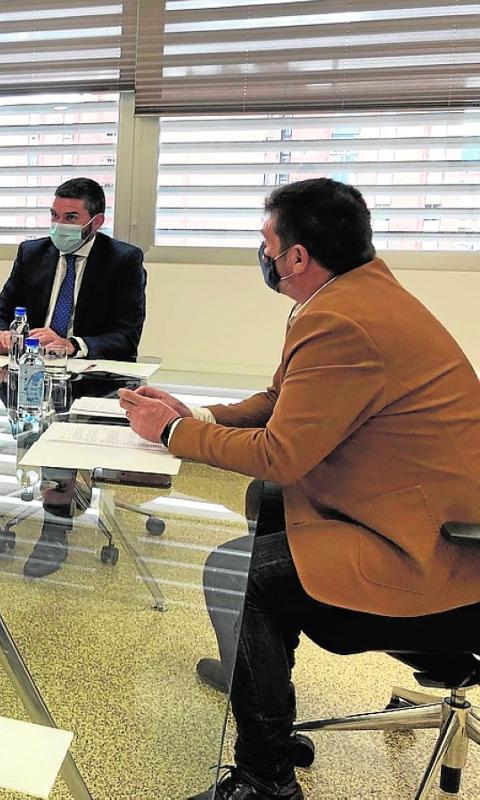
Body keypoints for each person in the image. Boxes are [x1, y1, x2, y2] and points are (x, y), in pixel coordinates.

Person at [117, 178, 480, 800]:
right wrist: (196, 415)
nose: (263, 255)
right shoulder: (356, 293)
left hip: (438, 553)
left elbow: (279, 454)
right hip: (416, 512)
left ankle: (266, 777)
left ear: (298, 256)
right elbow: (282, 400)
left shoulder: (343, 321)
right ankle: (261, 689)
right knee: (266, 504)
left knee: (239, 574)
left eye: (267, 244)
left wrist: (171, 433)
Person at [0, 177, 146, 360]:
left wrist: (71, 345)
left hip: (89, 370)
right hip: (32, 363)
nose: (59, 224)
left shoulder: (122, 260)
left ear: (97, 222)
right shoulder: (31, 253)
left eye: (70, 217)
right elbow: (1, 314)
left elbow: (126, 336)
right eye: (54, 215)